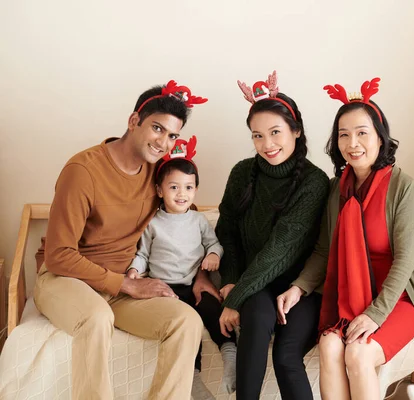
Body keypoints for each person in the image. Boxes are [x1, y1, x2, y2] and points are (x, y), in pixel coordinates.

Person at [34, 80, 208, 400]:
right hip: (65, 279)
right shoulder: (83, 170)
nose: (163, 142)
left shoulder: (157, 176)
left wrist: (202, 274)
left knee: (187, 321)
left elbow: (184, 224)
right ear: (133, 122)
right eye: (157, 128)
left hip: (118, 287)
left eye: (172, 135)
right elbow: (58, 255)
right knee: (97, 317)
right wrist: (127, 284)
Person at [277, 78, 414, 400]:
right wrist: (299, 287)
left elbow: (405, 260)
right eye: (344, 135)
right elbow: (324, 249)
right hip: (353, 295)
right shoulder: (337, 189)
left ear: (380, 137)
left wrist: (375, 314)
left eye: (362, 132)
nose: (353, 143)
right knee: (330, 344)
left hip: (400, 299)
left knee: (358, 353)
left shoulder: (404, 187)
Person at [215, 71, 329, 400]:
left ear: (296, 131)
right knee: (256, 320)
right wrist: (232, 281)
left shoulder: (314, 182)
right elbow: (228, 232)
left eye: (275, 132)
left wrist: (233, 299)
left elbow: (280, 250)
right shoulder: (241, 173)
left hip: (300, 288)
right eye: (257, 135)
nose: (267, 144)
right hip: (256, 283)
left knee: (284, 355)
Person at [125, 136, 237, 400]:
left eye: (188, 187)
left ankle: (230, 354)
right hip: (166, 288)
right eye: (174, 187)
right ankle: (194, 379)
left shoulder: (198, 220)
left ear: (195, 190)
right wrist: (134, 270)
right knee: (188, 326)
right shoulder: (153, 223)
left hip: (195, 283)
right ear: (160, 190)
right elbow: (142, 254)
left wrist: (212, 255)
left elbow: (215, 244)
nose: (181, 194)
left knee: (213, 311)